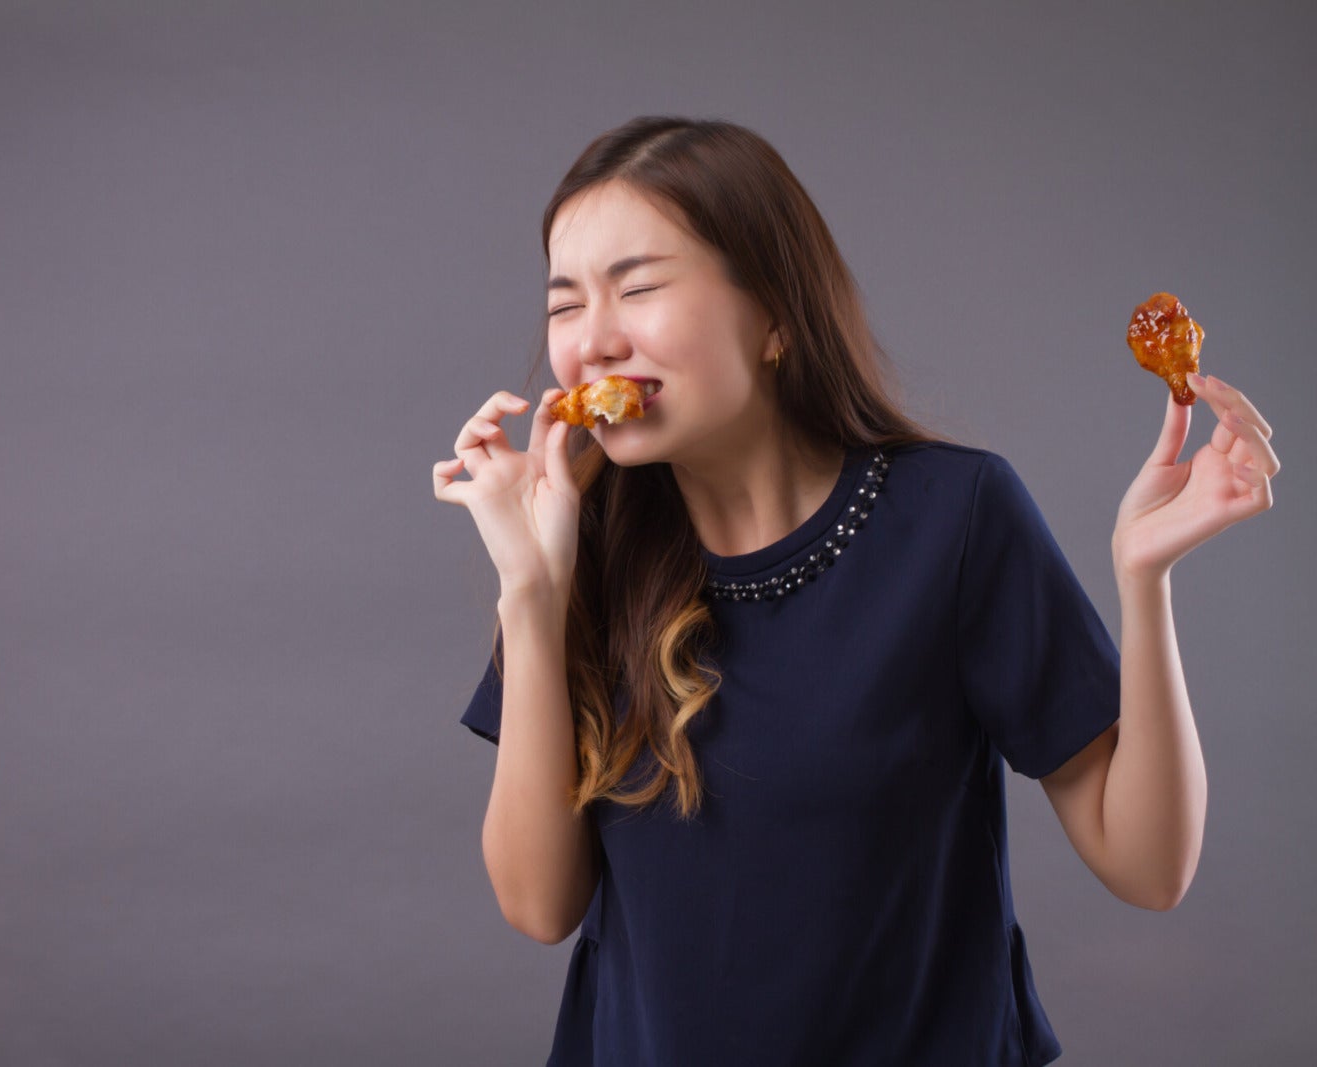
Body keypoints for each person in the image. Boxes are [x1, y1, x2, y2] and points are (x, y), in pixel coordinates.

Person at [429, 116, 1279, 1066]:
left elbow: (1151, 866)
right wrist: (533, 594)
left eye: (637, 287)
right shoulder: (578, 541)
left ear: (776, 317)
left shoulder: (955, 517)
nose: (593, 342)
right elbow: (539, 904)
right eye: (564, 304)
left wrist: (1143, 577)